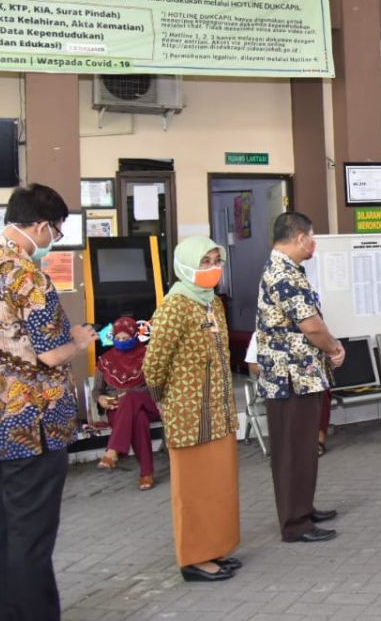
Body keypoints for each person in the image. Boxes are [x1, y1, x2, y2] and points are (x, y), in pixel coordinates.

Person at [0, 184, 97, 619]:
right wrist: (80, 341)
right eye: (55, 230)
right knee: (30, 534)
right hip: (30, 425)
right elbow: (51, 352)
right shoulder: (27, 276)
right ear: (38, 225)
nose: (54, 239)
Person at [145, 237, 241, 582]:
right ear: (185, 266)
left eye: (216, 260)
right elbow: (154, 363)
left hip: (220, 411)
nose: (213, 268)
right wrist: (165, 398)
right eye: (205, 262)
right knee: (195, 489)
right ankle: (195, 559)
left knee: (220, 484)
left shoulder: (212, 303)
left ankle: (216, 548)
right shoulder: (175, 306)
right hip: (189, 414)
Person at [255, 212, 346, 544]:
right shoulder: (283, 274)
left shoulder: (288, 270)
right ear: (298, 237)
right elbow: (310, 325)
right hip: (290, 377)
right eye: (312, 235)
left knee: (304, 447)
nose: (314, 242)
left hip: (300, 374)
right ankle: (295, 523)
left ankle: (303, 508)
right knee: (293, 449)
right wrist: (334, 348)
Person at [94, 316, 162, 490]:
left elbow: (157, 384)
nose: (122, 341)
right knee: (139, 420)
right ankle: (146, 474)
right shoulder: (106, 360)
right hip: (117, 409)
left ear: (134, 336)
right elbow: (97, 390)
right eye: (118, 338)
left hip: (146, 403)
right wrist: (101, 399)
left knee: (130, 397)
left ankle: (113, 451)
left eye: (126, 338)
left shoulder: (148, 355)